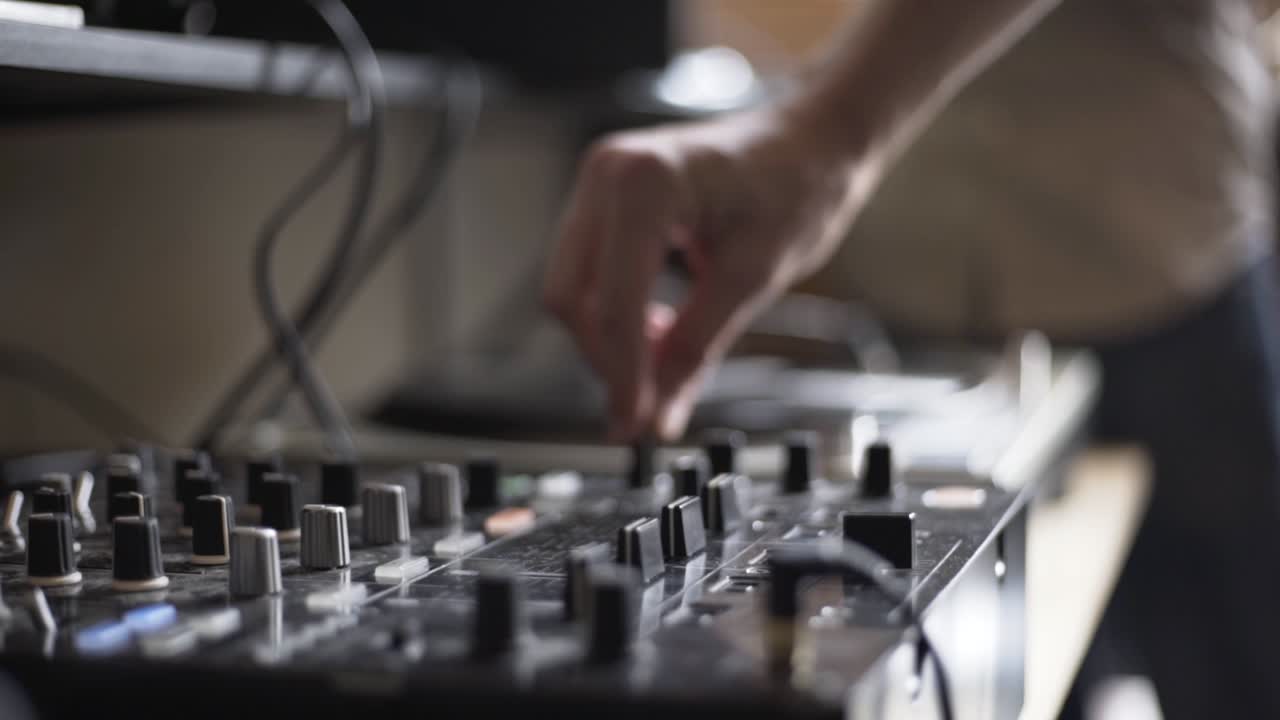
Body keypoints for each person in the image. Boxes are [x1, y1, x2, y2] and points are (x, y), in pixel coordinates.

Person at [542, 1, 1280, 718]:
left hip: (1163, 265)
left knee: (1239, 666)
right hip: (925, 298)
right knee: (1030, 679)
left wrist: (823, 132)